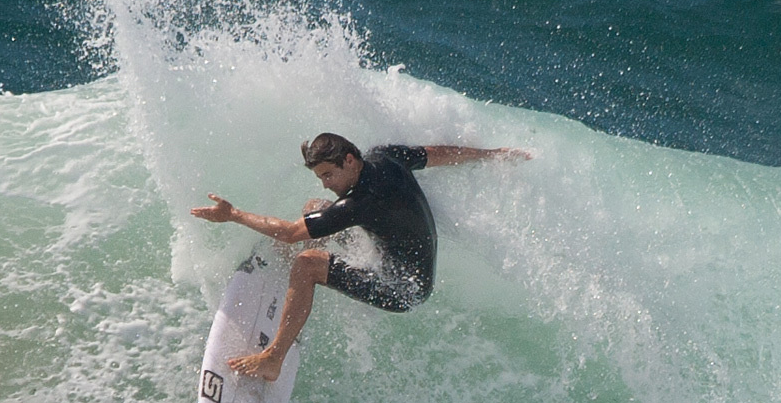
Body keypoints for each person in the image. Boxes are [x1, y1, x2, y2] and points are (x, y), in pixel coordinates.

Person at [191, 133, 531, 381]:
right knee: (314, 209)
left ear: (349, 161)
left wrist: (233, 214)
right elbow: (436, 153)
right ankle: (293, 288)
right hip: (397, 257)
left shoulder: (362, 201)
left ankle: (273, 358)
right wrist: (490, 154)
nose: (326, 183)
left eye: (328, 174)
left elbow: (291, 233)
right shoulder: (385, 156)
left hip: (402, 288)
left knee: (307, 261)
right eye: (320, 176)